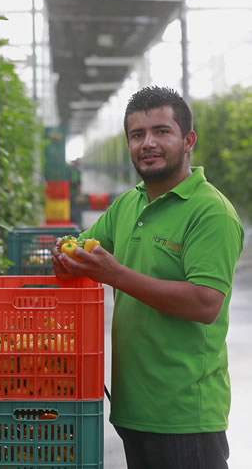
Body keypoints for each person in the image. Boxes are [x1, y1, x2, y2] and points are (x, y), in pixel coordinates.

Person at [52, 86, 244, 469]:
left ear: (188, 140)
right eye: (137, 135)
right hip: (133, 408)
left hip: (185, 414)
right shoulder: (128, 203)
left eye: (161, 131)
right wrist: (65, 260)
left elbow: (206, 303)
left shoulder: (211, 213)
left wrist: (117, 275)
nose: (148, 143)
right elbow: (87, 262)